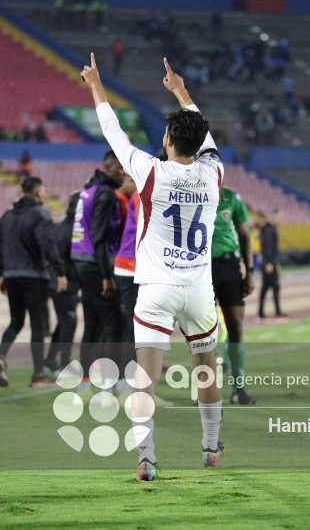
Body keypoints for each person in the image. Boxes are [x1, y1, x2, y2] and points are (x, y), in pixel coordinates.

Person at [82, 54, 224, 480]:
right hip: (199, 287)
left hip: (157, 288)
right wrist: (181, 92)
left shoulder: (149, 173)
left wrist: (95, 84)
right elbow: (205, 135)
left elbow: (113, 131)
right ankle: (211, 447)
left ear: (167, 140)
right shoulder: (214, 173)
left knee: (145, 379)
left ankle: (146, 456)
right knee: (206, 371)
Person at [0, 177, 68, 388]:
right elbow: (48, 246)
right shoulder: (40, 215)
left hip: (11, 276)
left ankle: (1, 356)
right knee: (37, 324)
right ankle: (37, 375)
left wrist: (1, 274)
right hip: (34, 276)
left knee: (15, 320)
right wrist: (60, 273)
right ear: (38, 193)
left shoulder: (5, 217)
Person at [71, 150, 126, 398]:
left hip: (80, 261)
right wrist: (106, 275)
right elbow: (99, 236)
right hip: (95, 264)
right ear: (107, 166)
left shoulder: (88, 190)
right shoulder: (105, 193)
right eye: (120, 168)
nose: (124, 173)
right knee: (113, 322)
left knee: (93, 322)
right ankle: (107, 384)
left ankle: (84, 381)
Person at [211, 185, 255, 405]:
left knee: (236, 326)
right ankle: (205, 393)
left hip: (229, 267)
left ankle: (239, 389)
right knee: (202, 332)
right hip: (200, 268)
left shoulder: (232, 198)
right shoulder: (191, 194)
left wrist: (250, 272)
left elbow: (245, 235)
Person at [46, 192, 82, 375]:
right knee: (69, 321)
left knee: (64, 323)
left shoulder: (67, 226)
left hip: (63, 281)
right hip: (62, 283)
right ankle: (64, 364)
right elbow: (59, 258)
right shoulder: (67, 229)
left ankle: (51, 360)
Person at [113, 175, 139, 388]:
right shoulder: (142, 195)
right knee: (133, 328)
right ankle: (125, 382)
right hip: (131, 268)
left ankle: (123, 380)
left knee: (131, 327)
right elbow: (147, 228)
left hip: (132, 267)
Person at [258, 210, 286, 320]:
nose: (281, 220)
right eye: (279, 218)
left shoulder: (268, 229)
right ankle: (277, 313)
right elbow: (268, 248)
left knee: (266, 288)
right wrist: (270, 263)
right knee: (274, 287)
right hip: (268, 264)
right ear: (273, 218)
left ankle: (262, 313)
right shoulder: (269, 230)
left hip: (269, 262)